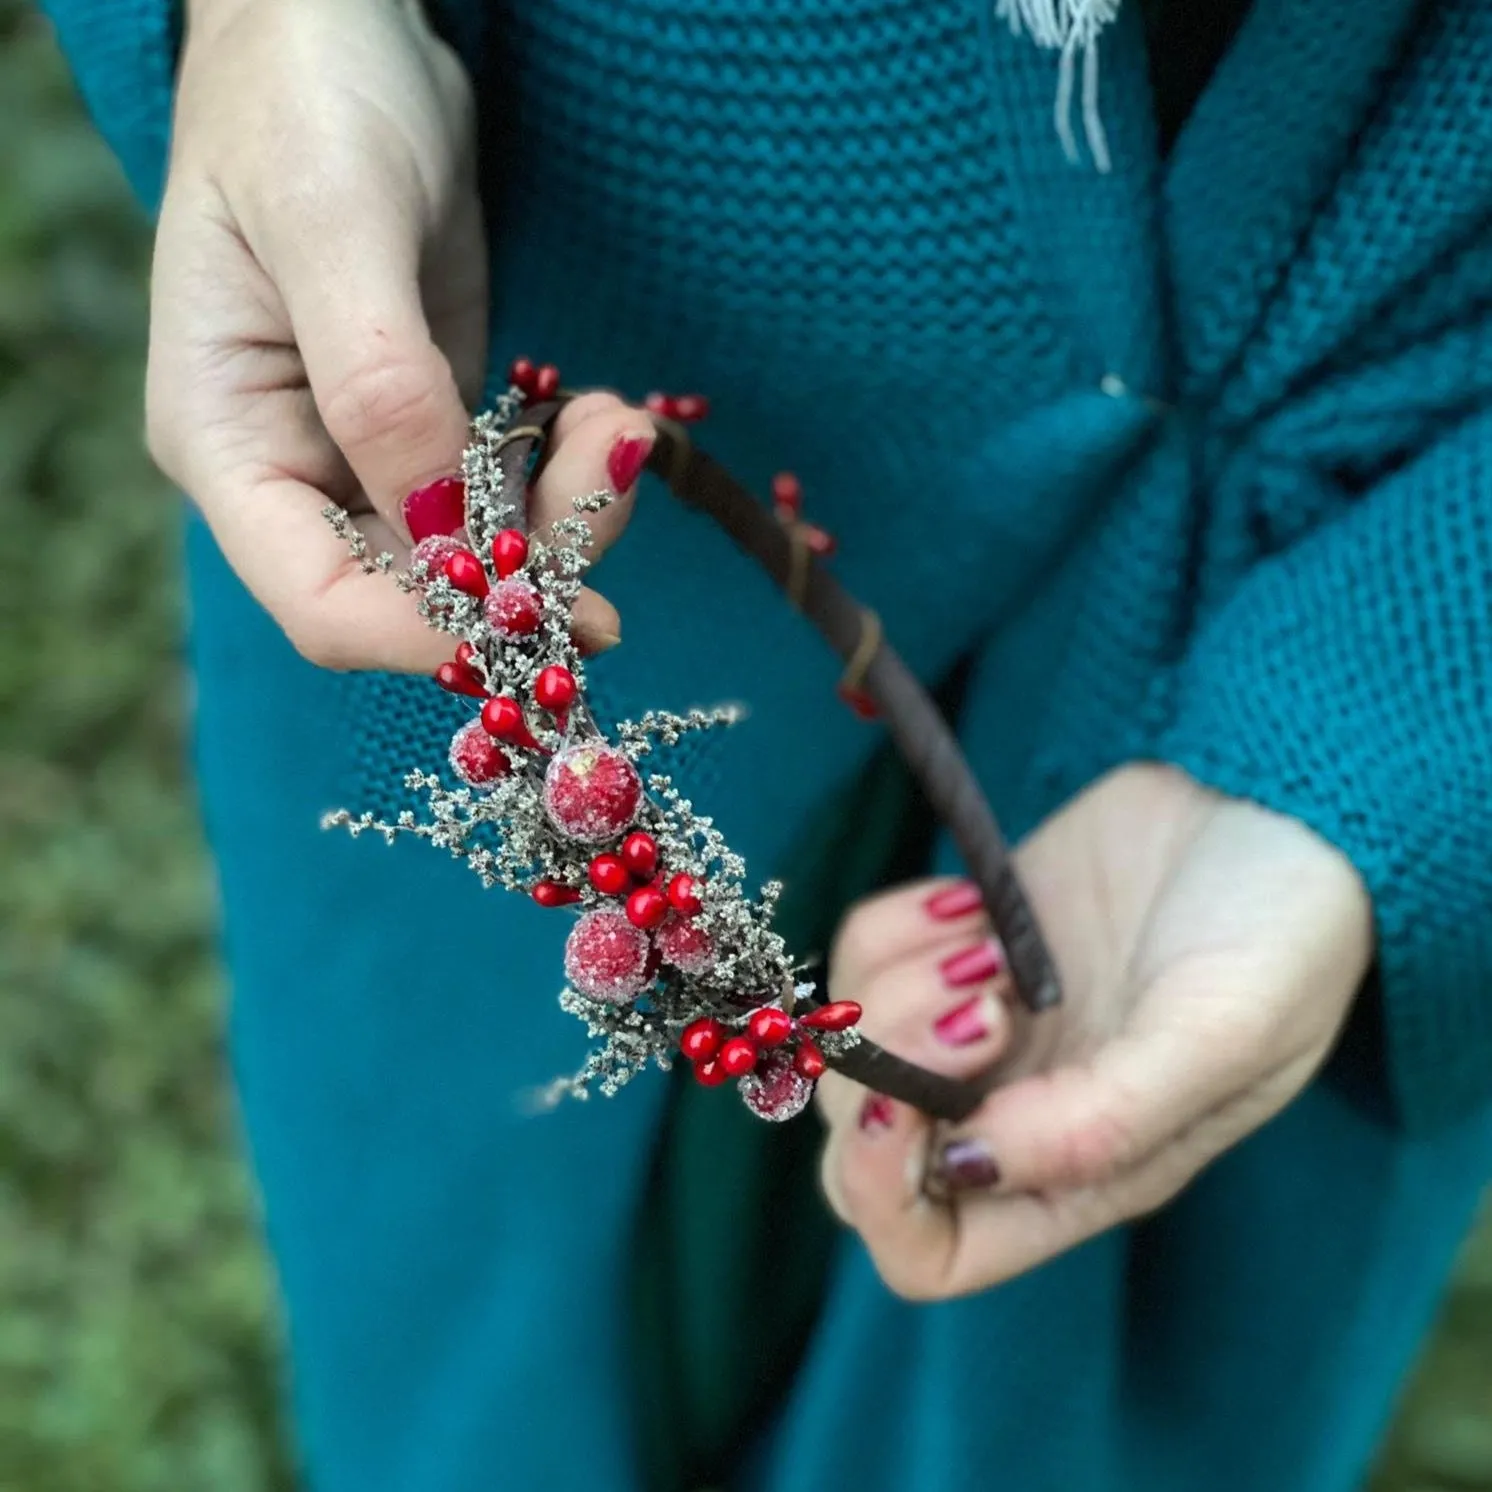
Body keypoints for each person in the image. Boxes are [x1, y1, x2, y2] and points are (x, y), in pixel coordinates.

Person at [41, 0, 1492, 1489]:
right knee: (461, 1258)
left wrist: (1415, 709)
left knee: (1104, 1368)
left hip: (1396, 520)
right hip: (528, 273)